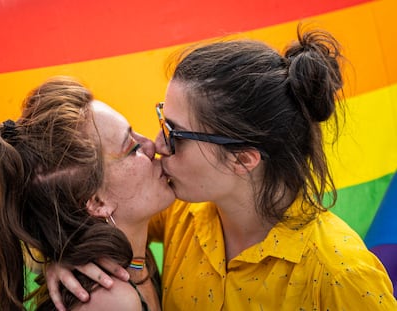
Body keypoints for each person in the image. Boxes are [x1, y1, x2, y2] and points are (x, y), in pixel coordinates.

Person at [47, 26, 397, 310]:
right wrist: (62, 257)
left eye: (176, 133)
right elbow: (83, 212)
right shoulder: (180, 209)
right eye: (161, 120)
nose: (158, 144)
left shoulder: (342, 273)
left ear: (243, 159)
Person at [0, 76, 175, 310]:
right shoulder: (110, 301)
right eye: (132, 148)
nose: (151, 146)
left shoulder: (134, 257)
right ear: (97, 202)